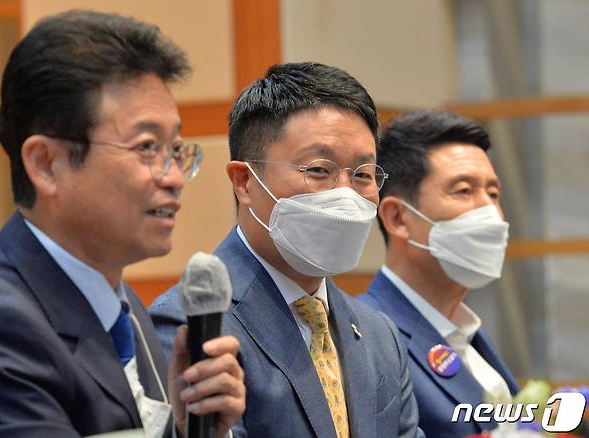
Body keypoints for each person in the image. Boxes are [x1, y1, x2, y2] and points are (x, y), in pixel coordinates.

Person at [0, 10, 245, 438]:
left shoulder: (123, 307)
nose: (174, 177)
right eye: (147, 147)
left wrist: (187, 430)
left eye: (175, 148)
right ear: (46, 164)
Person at [150, 62, 422, 438]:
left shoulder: (380, 334)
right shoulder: (190, 324)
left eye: (362, 174)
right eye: (319, 169)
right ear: (244, 181)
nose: (345, 194)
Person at [357, 110, 519, 438]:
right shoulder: (365, 338)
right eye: (464, 190)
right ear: (398, 218)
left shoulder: (468, 333)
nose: (489, 211)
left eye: (493, 194)